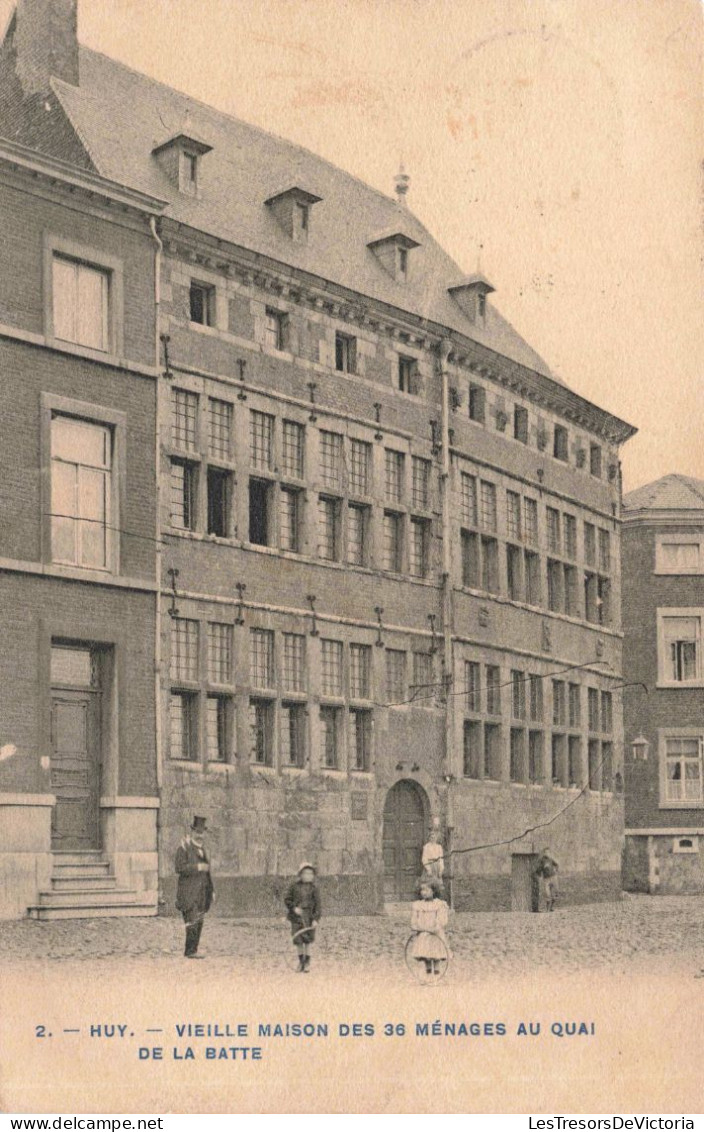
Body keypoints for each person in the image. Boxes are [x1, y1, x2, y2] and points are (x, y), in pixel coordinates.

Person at [175, 815, 214, 958]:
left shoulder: (203, 850)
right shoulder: (184, 847)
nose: (200, 835)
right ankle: (189, 951)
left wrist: (212, 890)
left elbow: (207, 872)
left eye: (202, 833)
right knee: (191, 921)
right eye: (197, 832)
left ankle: (194, 949)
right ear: (192, 832)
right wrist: (197, 867)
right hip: (188, 893)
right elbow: (179, 867)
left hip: (202, 893)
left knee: (199, 921)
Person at [408, 878, 450, 976]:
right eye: (422, 890)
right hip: (423, 932)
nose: (424, 892)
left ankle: (436, 973)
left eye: (427, 890)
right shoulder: (418, 905)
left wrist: (436, 927)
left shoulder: (439, 904)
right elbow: (414, 918)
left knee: (435, 954)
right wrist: (415, 926)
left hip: (434, 933)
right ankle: (428, 972)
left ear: (434, 891)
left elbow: (442, 919)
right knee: (425, 953)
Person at [284, 862, 321, 973]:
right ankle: (301, 962)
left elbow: (318, 905)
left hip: (309, 917)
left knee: (307, 940)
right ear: (300, 874)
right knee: (299, 940)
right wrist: (294, 908)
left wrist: (315, 919)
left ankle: (307, 963)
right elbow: (287, 899)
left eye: (310, 873)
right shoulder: (294, 886)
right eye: (305, 873)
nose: (308, 876)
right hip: (296, 918)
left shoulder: (314, 888)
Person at [533, 847, 559, 912]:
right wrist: (538, 873)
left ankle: (551, 907)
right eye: (546, 852)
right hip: (546, 879)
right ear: (544, 853)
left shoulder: (551, 859)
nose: (547, 853)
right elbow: (538, 870)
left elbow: (557, 865)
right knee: (547, 894)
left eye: (548, 852)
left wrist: (556, 870)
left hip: (553, 877)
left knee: (555, 893)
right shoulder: (542, 861)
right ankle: (547, 909)